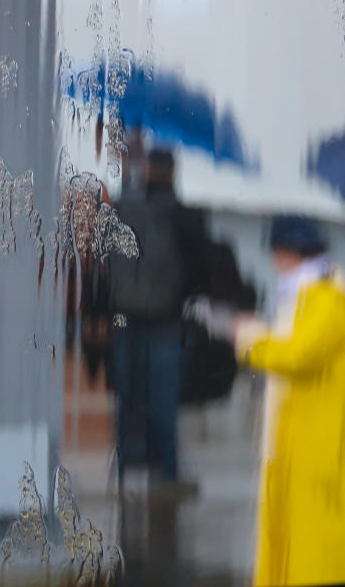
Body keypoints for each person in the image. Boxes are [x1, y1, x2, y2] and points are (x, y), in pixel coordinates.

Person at [220, 215, 345, 586]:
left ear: (289, 252)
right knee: (295, 540)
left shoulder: (325, 296)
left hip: (317, 444)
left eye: (276, 253)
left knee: (313, 546)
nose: (274, 262)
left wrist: (250, 339)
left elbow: (299, 356)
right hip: (303, 439)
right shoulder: (311, 292)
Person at [102, 127, 211, 487]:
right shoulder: (178, 212)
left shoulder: (129, 208)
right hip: (160, 319)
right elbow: (198, 266)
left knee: (130, 399)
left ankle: (132, 468)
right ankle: (165, 471)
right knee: (160, 400)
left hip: (131, 318)